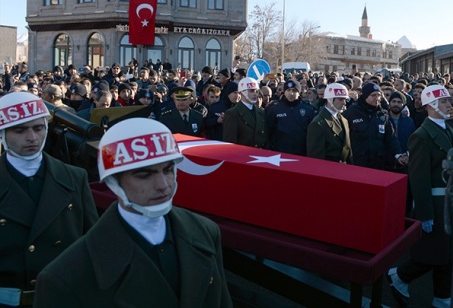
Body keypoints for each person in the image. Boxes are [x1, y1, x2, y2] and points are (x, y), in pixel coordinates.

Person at [33, 118, 232, 308]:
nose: (163, 185)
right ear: (114, 182)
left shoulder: (206, 231)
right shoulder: (66, 276)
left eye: (168, 170)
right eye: (145, 175)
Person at [0, 92, 98, 307]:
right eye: (19, 130)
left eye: (38, 127)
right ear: (3, 134)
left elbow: (91, 244)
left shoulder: (74, 177)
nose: (32, 137)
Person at [388, 85, 453, 308]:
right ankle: (400, 277)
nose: (449, 105)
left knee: (447, 254)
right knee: (434, 253)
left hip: (449, 202)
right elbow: (419, 178)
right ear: (432, 105)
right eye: (444, 101)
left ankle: (442, 298)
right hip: (435, 203)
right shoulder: (422, 135)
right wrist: (424, 213)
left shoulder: (448, 130)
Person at [343, 83, 408, 170]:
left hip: (378, 164)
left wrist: (398, 155)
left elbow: (391, 138)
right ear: (365, 96)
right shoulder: (351, 113)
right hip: (357, 163)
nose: (376, 98)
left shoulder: (382, 115)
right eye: (373, 95)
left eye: (379, 95)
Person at [265, 79, 314, 156]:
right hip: (278, 154)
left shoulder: (307, 109)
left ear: (299, 92)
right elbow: (267, 131)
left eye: (294, 90)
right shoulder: (274, 108)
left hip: (301, 154)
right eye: (288, 90)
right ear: (284, 92)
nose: (291, 93)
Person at [307, 83, 352, 163]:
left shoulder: (344, 120)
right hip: (329, 171)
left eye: (345, 99)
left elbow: (347, 149)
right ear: (330, 99)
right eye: (340, 99)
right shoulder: (318, 123)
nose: (344, 103)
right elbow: (316, 158)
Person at [223, 77, 268, 148]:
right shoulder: (232, 114)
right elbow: (230, 143)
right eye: (251, 91)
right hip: (243, 155)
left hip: (260, 155)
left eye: (257, 91)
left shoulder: (261, 111)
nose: (255, 94)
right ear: (241, 93)